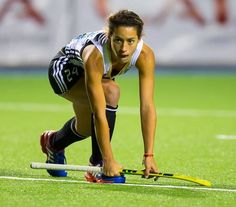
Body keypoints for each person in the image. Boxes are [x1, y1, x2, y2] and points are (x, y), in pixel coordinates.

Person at [40, 9, 158, 183]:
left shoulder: (145, 55)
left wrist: (149, 154)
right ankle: (97, 164)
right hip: (65, 71)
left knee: (86, 128)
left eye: (130, 41)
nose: (124, 49)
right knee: (111, 91)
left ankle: (54, 142)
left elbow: (147, 106)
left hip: (96, 77)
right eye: (118, 40)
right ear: (110, 35)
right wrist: (107, 160)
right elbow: (100, 113)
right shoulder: (95, 56)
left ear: (139, 39)